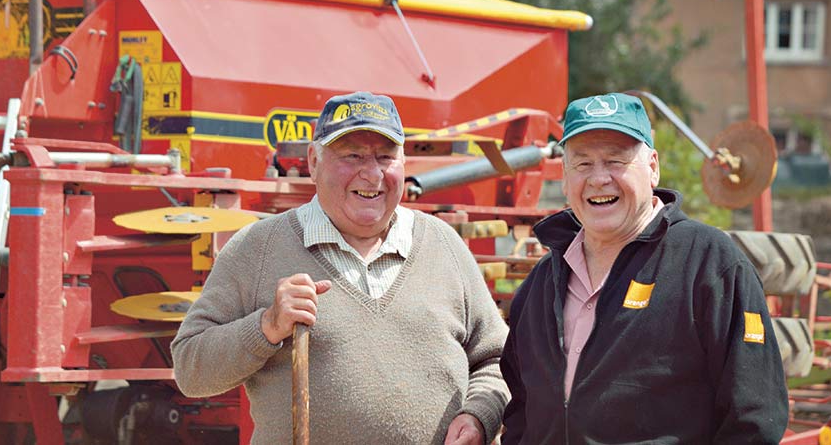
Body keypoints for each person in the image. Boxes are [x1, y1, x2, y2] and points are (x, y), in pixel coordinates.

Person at [172, 91, 509, 444]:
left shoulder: (443, 245)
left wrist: (479, 416)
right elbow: (191, 370)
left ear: (404, 164)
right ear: (314, 161)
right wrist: (267, 326)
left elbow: (499, 360)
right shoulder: (259, 248)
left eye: (385, 157)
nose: (372, 173)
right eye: (352, 156)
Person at [500, 92, 789, 443]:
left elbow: (753, 421)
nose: (599, 178)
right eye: (582, 164)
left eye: (615, 161)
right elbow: (520, 414)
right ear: (563, 178)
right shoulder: (541, 284)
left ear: (652, 167)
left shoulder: (710, 264)